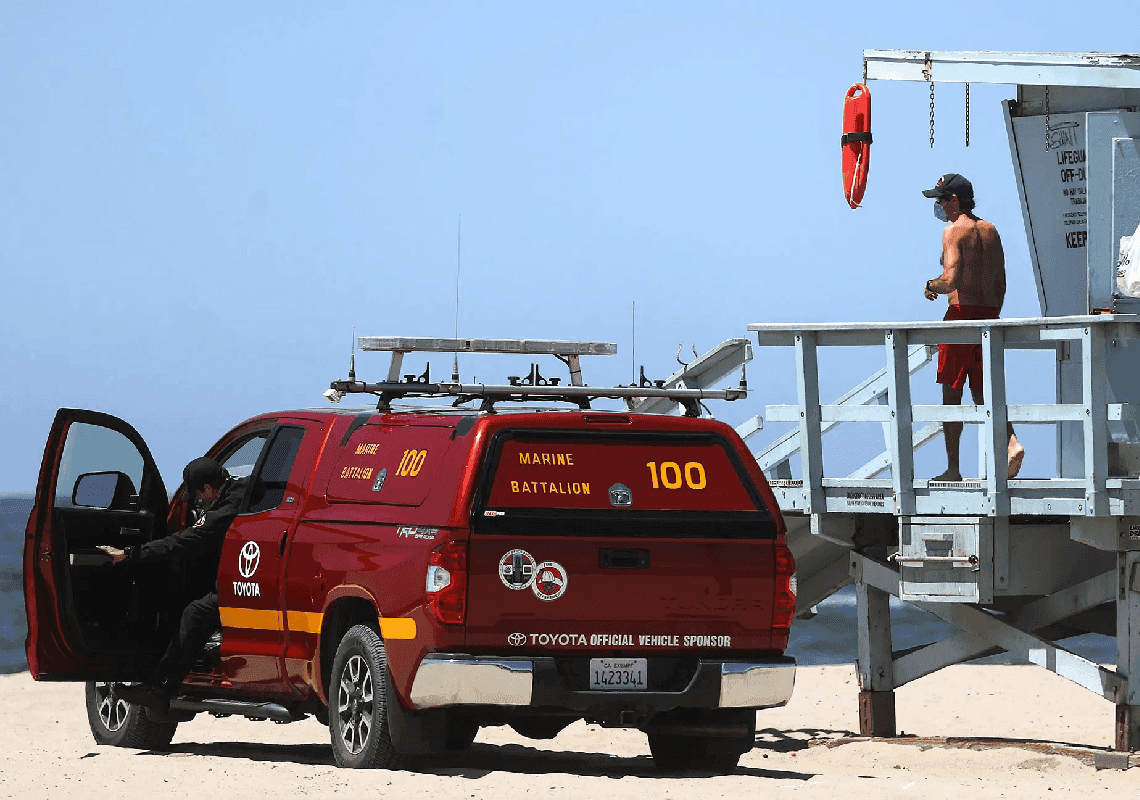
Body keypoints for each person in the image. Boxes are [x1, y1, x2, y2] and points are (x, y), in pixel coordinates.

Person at [99, 456, 247, 715]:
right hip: (247, 578)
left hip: (240, 585)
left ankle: (160, 690)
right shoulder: (241, 489)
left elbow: (188, 538)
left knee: (195, 613)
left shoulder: (227, 506)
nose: (201, 501)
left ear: (209, 489)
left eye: (200, 495)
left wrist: (129, 554)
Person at [921, 173, 1025, 481]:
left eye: (940, 200)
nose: (938, 206)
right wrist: (991, 315)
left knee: (952, 393)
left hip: (960, 315)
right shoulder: (990, 230)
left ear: (954, 200)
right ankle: (1011, 443)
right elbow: (1001, 282)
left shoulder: (953, 231)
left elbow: (951, 279)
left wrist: (930, 284)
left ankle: (953, 469)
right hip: (989, 316)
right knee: (983, 390)